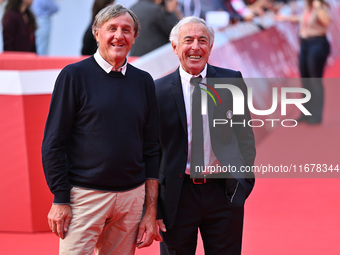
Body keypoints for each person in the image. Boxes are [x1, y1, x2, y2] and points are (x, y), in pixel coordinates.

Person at [41, 4, 161, 255]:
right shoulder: (74, 76)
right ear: (96, 33)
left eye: (126, 30)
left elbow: (151, 148)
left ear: (135, 36)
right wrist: (60, 198)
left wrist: (150, 210)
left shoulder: (144, 82)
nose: (119, 36)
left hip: (131, 199)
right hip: (85, 198)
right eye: (112, 29)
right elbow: (54, 142)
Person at [155, 16, 256, 255]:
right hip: (177, 197)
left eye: (202, 40)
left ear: (210, 47)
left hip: (223, 193)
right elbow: (151, 151)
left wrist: (243, 184)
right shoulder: (157, 91)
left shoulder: (231, 81)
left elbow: (245, 137)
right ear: (175, 47)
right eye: (188, 40)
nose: (195, 47)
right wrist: (156, 207)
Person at [277, 0, 331, 124]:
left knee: (315, 80)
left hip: (318, 43)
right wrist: (285, 17)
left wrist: (318, 7)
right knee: (305, 79)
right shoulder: (307, 6)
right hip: (305, 44)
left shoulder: (322, 6)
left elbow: (326, 21)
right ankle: (306, 112)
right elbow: (303, 19)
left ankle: (316, 115)